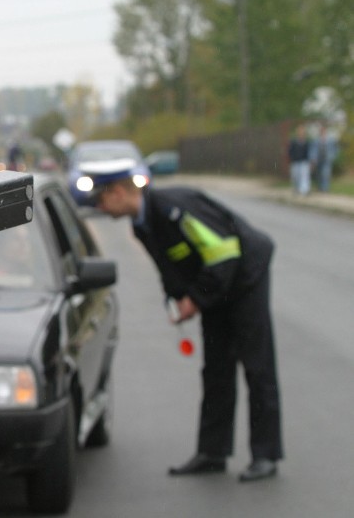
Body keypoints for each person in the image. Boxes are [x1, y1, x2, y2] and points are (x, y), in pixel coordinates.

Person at [87, 158, 283, 483]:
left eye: (102, 199)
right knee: (216, 368)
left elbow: (225, 252)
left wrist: (196, 298)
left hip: (246, 277)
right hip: (217, 284)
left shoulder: (172, 208)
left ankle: (266, 455)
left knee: (257, 365)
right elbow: (170, 265)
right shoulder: (141, 222)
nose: (101, 208)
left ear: (120, 192)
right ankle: (213, 453)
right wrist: (179, 297)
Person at [287, 123, 313, 195]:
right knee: (296, 177)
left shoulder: (307, 142)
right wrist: (292, 158)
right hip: (295, 162)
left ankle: (304, 190)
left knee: (304, 177)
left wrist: (310, 161)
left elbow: (309, 153)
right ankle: (297, 189)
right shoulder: (294, 142)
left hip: (304, 162)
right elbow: (290, 151)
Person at [314, 123, 339, 193]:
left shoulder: (331, 139)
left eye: (323, 130)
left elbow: (336, 148)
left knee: (326, 173)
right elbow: (313, 150)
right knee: (319, 174)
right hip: (318, 159)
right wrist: (313, 158)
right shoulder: (316, 139)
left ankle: (325, 188)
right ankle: (320, 188)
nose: (322, 132)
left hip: (327, 159)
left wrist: (333, 155)